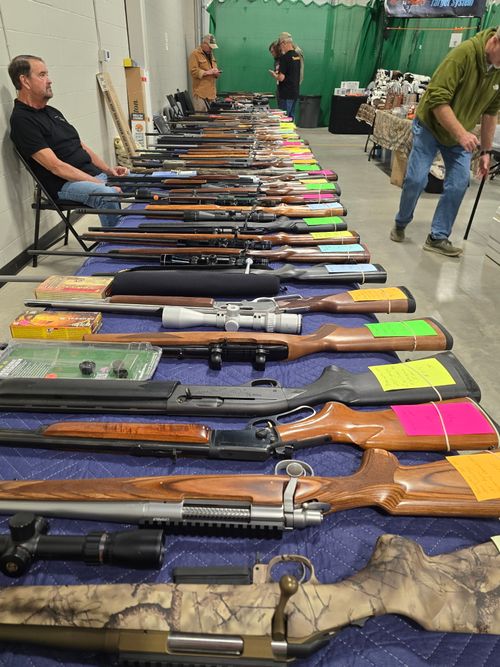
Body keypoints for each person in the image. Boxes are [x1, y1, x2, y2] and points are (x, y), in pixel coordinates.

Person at [390, 27, 500, 257]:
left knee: (460, 183)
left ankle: (438, 236)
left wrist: (486, 151)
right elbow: (437, 100)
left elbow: (490, 112)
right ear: (495, 41)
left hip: (459, 134)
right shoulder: (463, 55)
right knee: (416, 179)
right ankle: (401, 222)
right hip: (430, 127)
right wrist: (462, 134)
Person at [8, 54, 128, 228]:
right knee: (107, 195)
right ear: (24, 81)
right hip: (64, 185)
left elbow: (80, 145)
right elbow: (56, 167)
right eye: (42, 75)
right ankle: (116, 243)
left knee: (141, 180)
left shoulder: (52, 112)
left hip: (91, 176)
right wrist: (100, 183)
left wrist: (109, 170)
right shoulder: (22, 120)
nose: (49, 80)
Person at [269, 34, 301, 120]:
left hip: (286, 94)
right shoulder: (297, 56)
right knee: (291, 118)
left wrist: (274, 75)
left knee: (284, 119)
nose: (280, 47)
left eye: (280, 45)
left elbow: (281, 78)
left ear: (283, 43)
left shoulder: (284, 58)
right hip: (294, 92)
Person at [188, 34, 221, 112]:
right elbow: (193, 71)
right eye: (210, 47)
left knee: (212, 118)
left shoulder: (211, 55)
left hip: (211, 95)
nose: (211, 49)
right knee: (201, 117)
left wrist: (216, 73)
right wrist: (208, 72)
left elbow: (213, 69)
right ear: (204, 44)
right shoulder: (195, 54)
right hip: (200, 95)